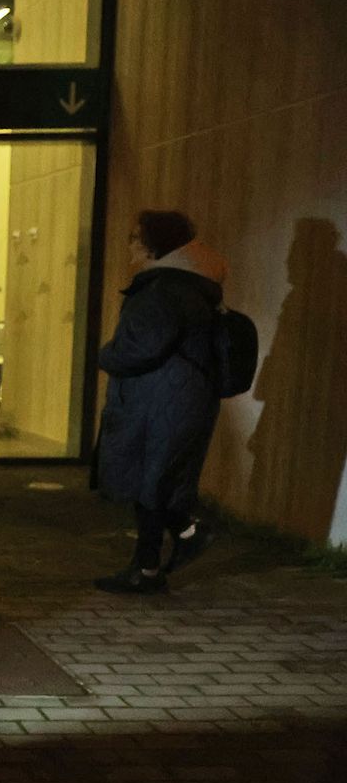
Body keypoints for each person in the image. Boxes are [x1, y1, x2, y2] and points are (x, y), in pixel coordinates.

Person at [94, 210, 223, 594]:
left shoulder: (164, 288)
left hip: (161, 400)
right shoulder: (189, 284)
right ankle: (150, 565)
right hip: (173, 397)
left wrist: (106, 355)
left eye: (136, 237)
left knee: (152, 484)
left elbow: (143, 346)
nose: (130, 244)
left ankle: (184, 537)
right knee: (154, 484)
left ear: (154, 245)